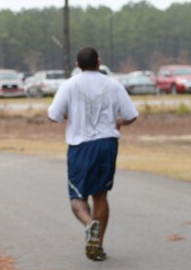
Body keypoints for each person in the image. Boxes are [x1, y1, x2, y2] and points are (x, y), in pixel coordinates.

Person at [48, 47, 139, 262]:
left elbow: (53, 115)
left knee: (77, 198)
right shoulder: (114, 85)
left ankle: (90, 225)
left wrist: (69, 115)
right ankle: (97, 246)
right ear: (99, 62)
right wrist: (118, 122)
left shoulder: (69, 85)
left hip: (80, 146)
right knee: (100, 196)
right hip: (107, 145)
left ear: (77, 65)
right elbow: (131, 115)